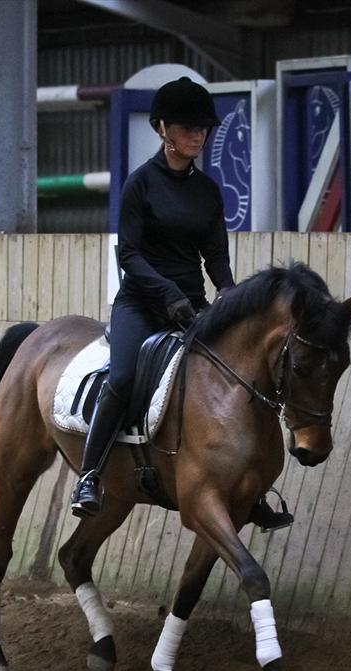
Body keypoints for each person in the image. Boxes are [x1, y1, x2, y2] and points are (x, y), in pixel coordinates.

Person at [70, 76, 236, 518]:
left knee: (232, 373)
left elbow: (215, 255)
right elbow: (129, 254)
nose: (197, 135)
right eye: (187, 127)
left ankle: (240, 483)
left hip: (190, 306)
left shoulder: (207, 191)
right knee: (122, 378)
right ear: (162, 129)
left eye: (202, 128)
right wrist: (166, 292)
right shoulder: (139, 185)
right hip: (141, 304)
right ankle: (89, 476)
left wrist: (231, 292)